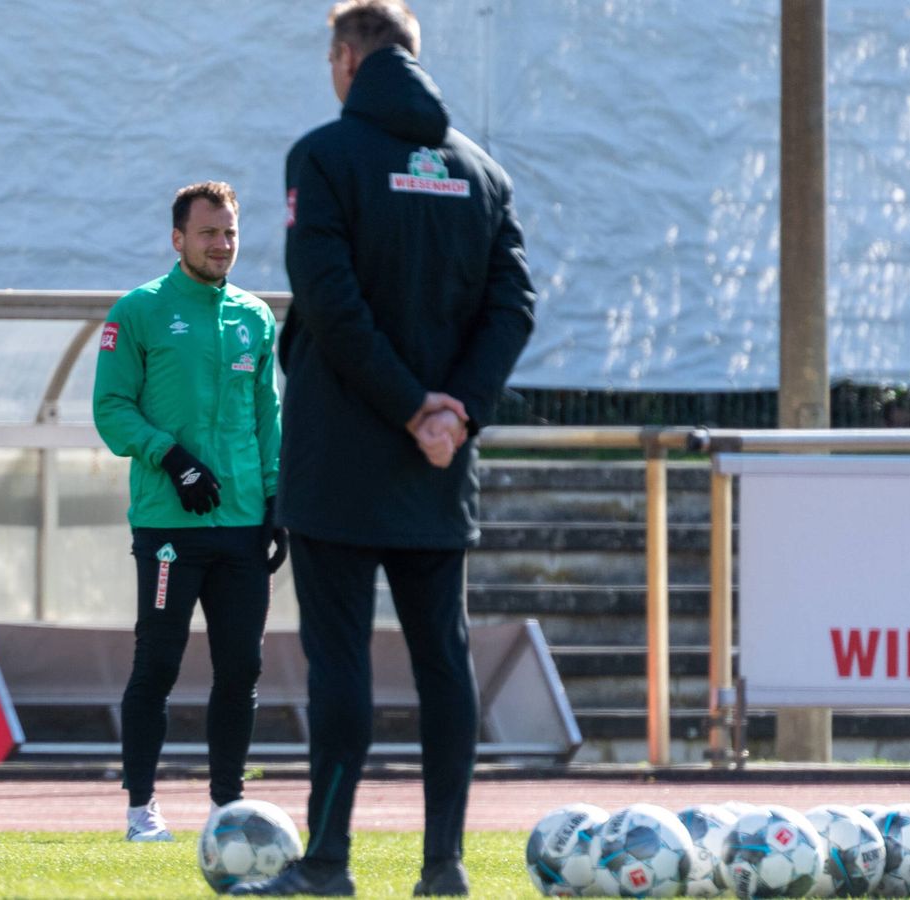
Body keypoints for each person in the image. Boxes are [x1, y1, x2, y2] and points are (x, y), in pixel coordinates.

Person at [231, 2, 535, 896]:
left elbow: (327, 298)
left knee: (341, 666)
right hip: (438, 467)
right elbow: (512, 307)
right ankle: (443, 866)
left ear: (345, 58)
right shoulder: (481, 173)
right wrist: (454, 417)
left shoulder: (323, 157)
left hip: (339, 457)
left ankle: (327, 861)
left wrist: (408, 408)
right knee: (444, 660)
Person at [93, 181, 286, 842]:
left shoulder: (255, 318)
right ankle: (141, 809)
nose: (221, 245)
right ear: (178, 238)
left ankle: (227, 808)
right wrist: (171, 457)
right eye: (208, 233)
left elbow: (267, 414)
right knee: (159, 663)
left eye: (230, 233)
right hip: (168, 527)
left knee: (243, 667)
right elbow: (111, 409)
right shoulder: (139, 312)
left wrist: (277, 497)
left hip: (241, 524)